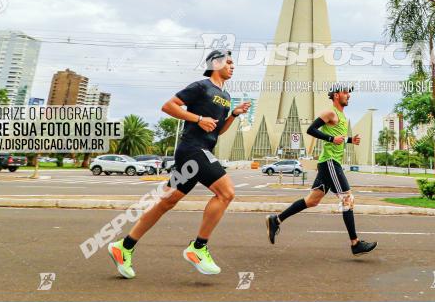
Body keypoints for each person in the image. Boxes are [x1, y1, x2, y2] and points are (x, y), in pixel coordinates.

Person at [107, 49, 250, 278]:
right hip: (193, 149)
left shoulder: (226, 96)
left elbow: (218, 130)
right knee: (226, 193)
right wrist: (198, 119)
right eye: (229, 62)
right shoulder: (201, 86)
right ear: (215, 63)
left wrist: (233, 114)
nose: (233, 66)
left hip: (201, 150)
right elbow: (168, 106)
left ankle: (124, 246)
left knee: (166, 202)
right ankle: (198, 248)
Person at [266, 84, 377, 256]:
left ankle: (276, 220)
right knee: (347, 198)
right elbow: (311, 130)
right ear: (335, 95)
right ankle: (355, 243)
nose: (348, 95)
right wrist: (331, 138)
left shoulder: (340, 115)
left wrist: (349, 140)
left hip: (329, 163)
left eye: (349, 93)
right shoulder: (330, 112)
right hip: (330, 163)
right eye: (345, 92)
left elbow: (338, 137)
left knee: (312, 201)